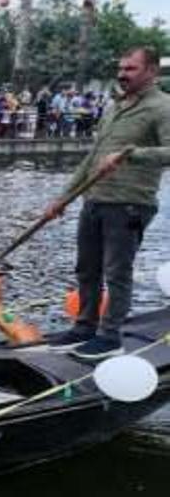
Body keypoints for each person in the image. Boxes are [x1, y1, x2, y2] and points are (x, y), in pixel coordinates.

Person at [46, 47, 170, 359]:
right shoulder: (115, 106)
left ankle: (110, 335)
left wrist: (131, 153)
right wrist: (64, 196)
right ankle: (84, 325)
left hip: (129, 204)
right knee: (86, 268)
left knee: (117, 271)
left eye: (130, 69)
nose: (122, 74)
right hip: (94, 198)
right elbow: (92, 157)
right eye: (121, 67)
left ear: (152, 72)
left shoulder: (162, 107)